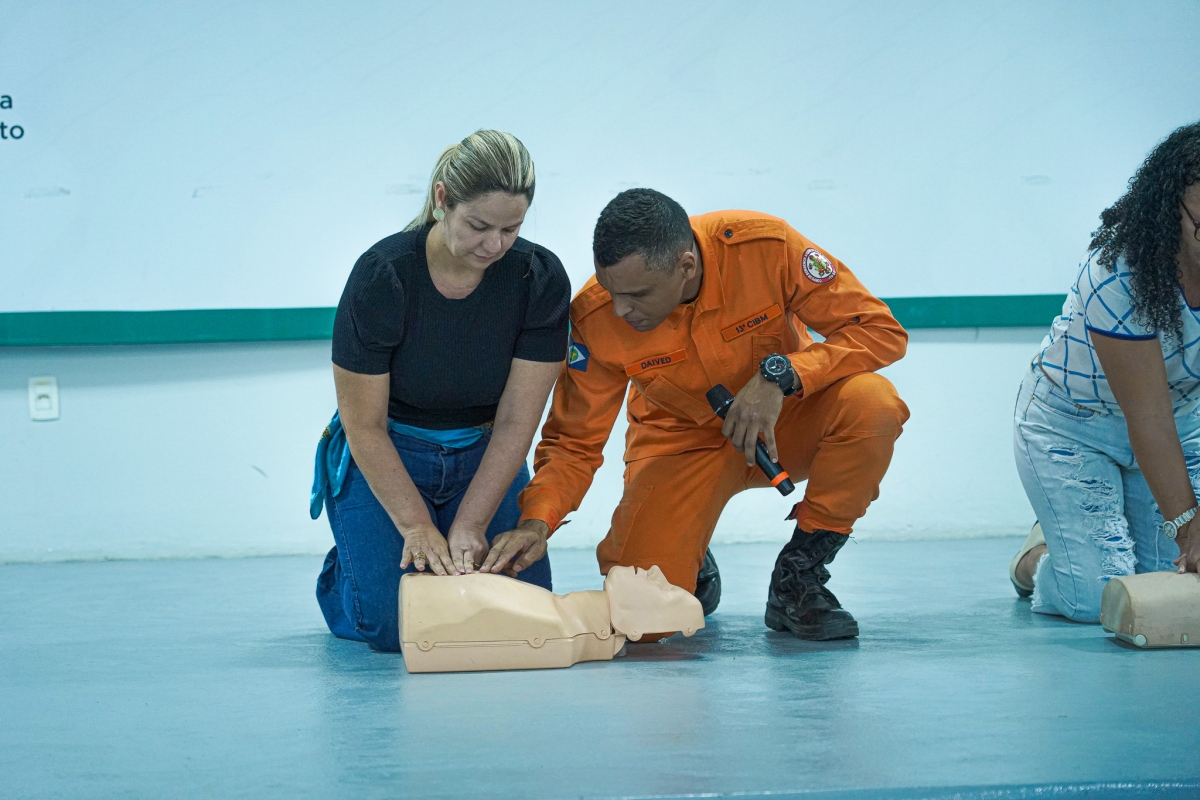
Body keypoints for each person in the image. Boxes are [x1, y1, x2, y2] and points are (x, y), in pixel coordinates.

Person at [480, 189, 910, 641]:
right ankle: (689, 551)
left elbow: (879, 330)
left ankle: (799, 578)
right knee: (642, 620)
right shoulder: (596, 316)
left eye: (637, 294)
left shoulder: (766, 248)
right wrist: (537, 521)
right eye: (611, 291)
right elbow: (573, 442)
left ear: (685, 265)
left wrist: (782, 374)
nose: (620, 310)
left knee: (872, 404)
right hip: (678, 446)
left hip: (782, 425)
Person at [311, 130, 570, 652]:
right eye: (479, 226)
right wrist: (414, 526)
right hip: (390, 447)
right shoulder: (382, 275)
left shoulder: (539, 277)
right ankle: (352, 568)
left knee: (517, 614)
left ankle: (411, 538)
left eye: (511, 229)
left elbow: (517, 421)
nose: (494, 246)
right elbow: (364, 425)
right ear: (442, 199)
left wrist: (472, 523)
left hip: (482, 450)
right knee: (396, 628)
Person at [1010, 121, 1200, 621]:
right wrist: (1190, 527)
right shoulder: (1119, 269)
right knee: (1099, 597)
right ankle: (1037, 557)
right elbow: (1147, 417)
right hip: (1072, 426)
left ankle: (1081, 534)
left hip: (1181, 423)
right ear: (1171, 209)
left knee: (1171, 583)